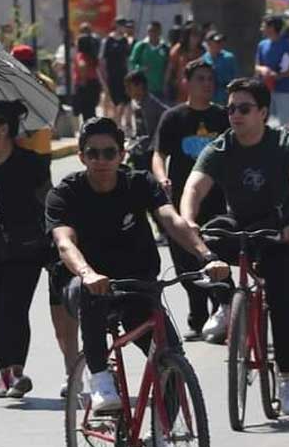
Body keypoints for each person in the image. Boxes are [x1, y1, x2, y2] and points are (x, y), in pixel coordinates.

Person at [46, 117, 229, 412]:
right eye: (93, 153)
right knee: (90, 293)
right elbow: (65, 242)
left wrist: (207, 256)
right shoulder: (66, 193)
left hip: (138, 283)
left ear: (122, 155)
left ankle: (161, 437)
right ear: (81, 157)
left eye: (109, 153)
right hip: (86, 283)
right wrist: (87, 272)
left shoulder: (140, 183)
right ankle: (100, 378)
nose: (101, 160)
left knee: (170, 357)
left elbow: (171, 220)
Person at [180, 77, 289, 416]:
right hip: (239, 225)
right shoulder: (221, 147)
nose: (235, 116)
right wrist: (189, 219)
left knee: (283, 300)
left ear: (263, 112)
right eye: (230, 109)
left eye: (243, 109)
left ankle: (286, 376)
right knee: (208, 237)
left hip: (279, 230)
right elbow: (194, 189)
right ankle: (226, 302)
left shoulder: (287, 144)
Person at [0, 100, 52, 398]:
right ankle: (5, 373)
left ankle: (17, 371)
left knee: (14, 308)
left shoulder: (32, 162)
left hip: (26, 250)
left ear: (4, 129)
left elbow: (49, 204)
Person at [151, 59, 230, 340]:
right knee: (185, 263)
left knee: (213, 257)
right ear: (187, 82)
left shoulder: (222, 117)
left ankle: (220, 312)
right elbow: (159, 155)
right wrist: (162, 178)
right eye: (201, 79)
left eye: (210, 79)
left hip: (215, 202)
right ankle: (197, 316)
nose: (207, 84)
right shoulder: (173, 118)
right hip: (181, 205)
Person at [255, 16, 289, 127]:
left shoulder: (288, 44)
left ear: (271, 28)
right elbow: (256, 66)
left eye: (264, 26)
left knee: (286, 123)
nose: (261, 29)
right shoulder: (262, 45)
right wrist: (263, 70)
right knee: (263, 121)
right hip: (265, 89)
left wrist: (280, 75)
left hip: (285, 89)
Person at [123, 70, 168, 174]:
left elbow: (167, 115)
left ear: (140, 86)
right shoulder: (134, 103)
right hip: (138, 149)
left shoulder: (152, 104)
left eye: (130, 87)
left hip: (150, 150)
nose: (127, 91)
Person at [99, 18, 133, 123]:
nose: (124, 28)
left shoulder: (125, 40)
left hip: (123, 75)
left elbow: (128, 59)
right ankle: (111, 123)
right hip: (111, 76)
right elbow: (102, 60)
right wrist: (104, 77)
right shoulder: (108, 40)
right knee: (112, 101)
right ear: (117, 26)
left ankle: (120, 122)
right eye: (122, 25)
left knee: (124, 101)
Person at [129, 21, 171, 102]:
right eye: (150, 31)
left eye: (155, 31)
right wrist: (140, 68)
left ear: (160, 32)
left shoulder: (165, 47)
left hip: (159, 88)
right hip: (142, 88)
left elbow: (168, 66)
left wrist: (166, 83)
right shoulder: (141, 46)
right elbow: (131, 63)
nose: (152, 33)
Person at [166, 22, 205, 103]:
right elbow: (170, 71)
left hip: (199, 91)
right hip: (180, 93)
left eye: (197, 35)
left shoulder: (202, 51)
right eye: (193, 35)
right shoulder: (177, 50)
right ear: (187, 36)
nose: (196, 39)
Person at [72, 34, 103, 123]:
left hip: (85, 85)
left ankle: (88, 131)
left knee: (85, 112)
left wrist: (83, 79)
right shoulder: (92, 55)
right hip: (94, 83)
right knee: (91, 110)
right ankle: (93, 130)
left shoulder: (81, 55)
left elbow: (82, 65)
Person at [202, 32, 238, 104]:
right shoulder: (204, 59)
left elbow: (234, 78)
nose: (220, 44)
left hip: (225, 96)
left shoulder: (229, 58)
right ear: (209, 43)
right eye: (217, 42)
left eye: (221, 42)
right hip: (209, 96)